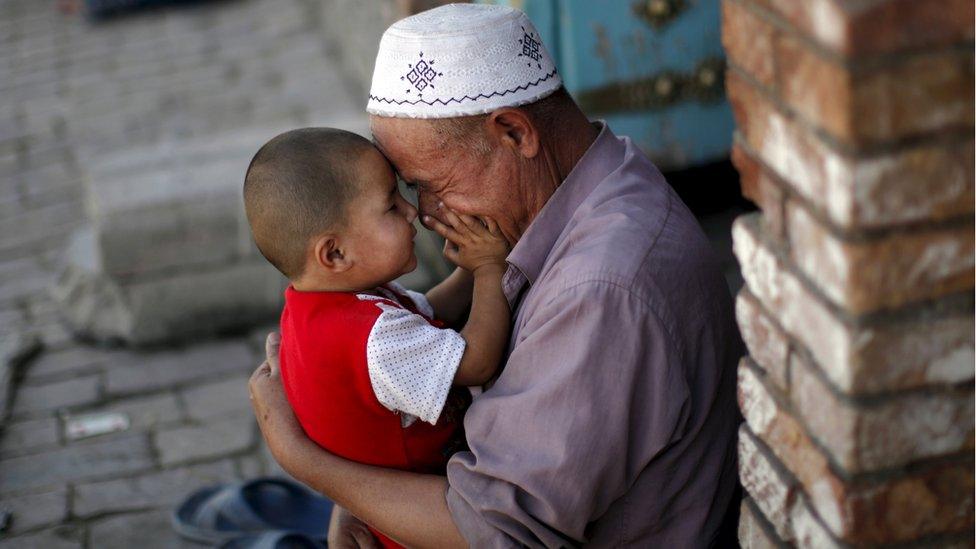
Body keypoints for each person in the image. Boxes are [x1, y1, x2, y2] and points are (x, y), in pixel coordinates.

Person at [249, 4, 743, 547]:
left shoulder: (600, 291)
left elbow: (493, 531)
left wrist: (310, 464)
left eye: (428, 184)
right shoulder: (601, 177)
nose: (429, 215)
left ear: (512, 132)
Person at [242, 127, 511, 547]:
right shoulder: (377, 339)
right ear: (334, 253)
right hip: (421, 524)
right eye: (390, 205)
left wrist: (471, 269)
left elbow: (426, 315)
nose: (411, 212)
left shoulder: (314, 306)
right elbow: (477, 360)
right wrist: (493, 270)